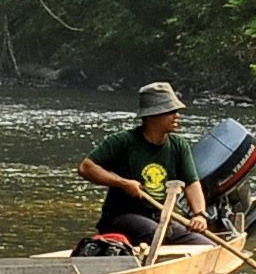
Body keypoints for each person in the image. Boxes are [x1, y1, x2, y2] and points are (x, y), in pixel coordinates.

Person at [79, 82, 212, 246]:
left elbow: (192, 183)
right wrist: (123, 183)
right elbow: (86, 167)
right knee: (156, 235)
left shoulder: (179, 145)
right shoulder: (123, 141)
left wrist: (199, 214)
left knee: (205, 245)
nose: (177, 116)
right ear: (151, 116)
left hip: (159, 217)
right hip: (120, 216)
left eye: (176, 111)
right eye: (170, 112)